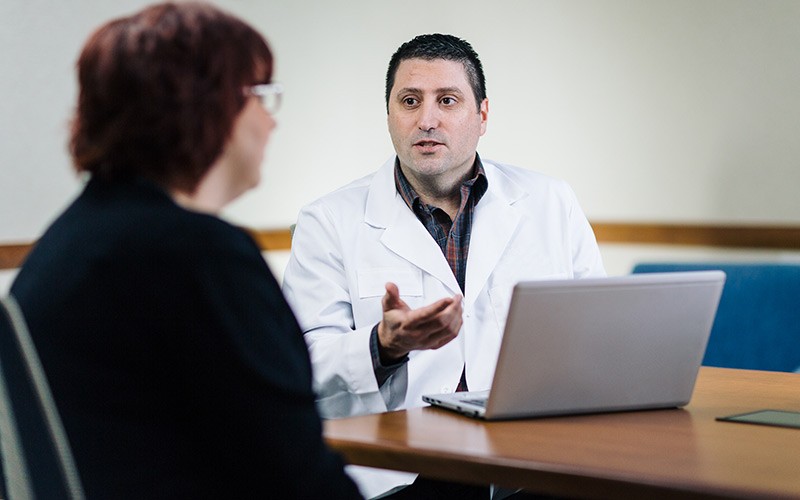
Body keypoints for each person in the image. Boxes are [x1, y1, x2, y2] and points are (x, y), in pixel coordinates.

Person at [10, 3, 362, 498]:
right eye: (261, 96)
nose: (271, 122)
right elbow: (297, 476)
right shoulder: (197, 257)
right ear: (208, 104)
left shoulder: (68, 242)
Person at [282, 33, 605, 498]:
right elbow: (301, 364)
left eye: (447, 101)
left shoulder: (551, 202)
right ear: (389, 115)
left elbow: (596, 333)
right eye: (409, 101)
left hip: (534, 456)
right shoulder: (329, 220)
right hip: (404, 470)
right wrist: (383, 345)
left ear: (483, 115)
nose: (426, 120)